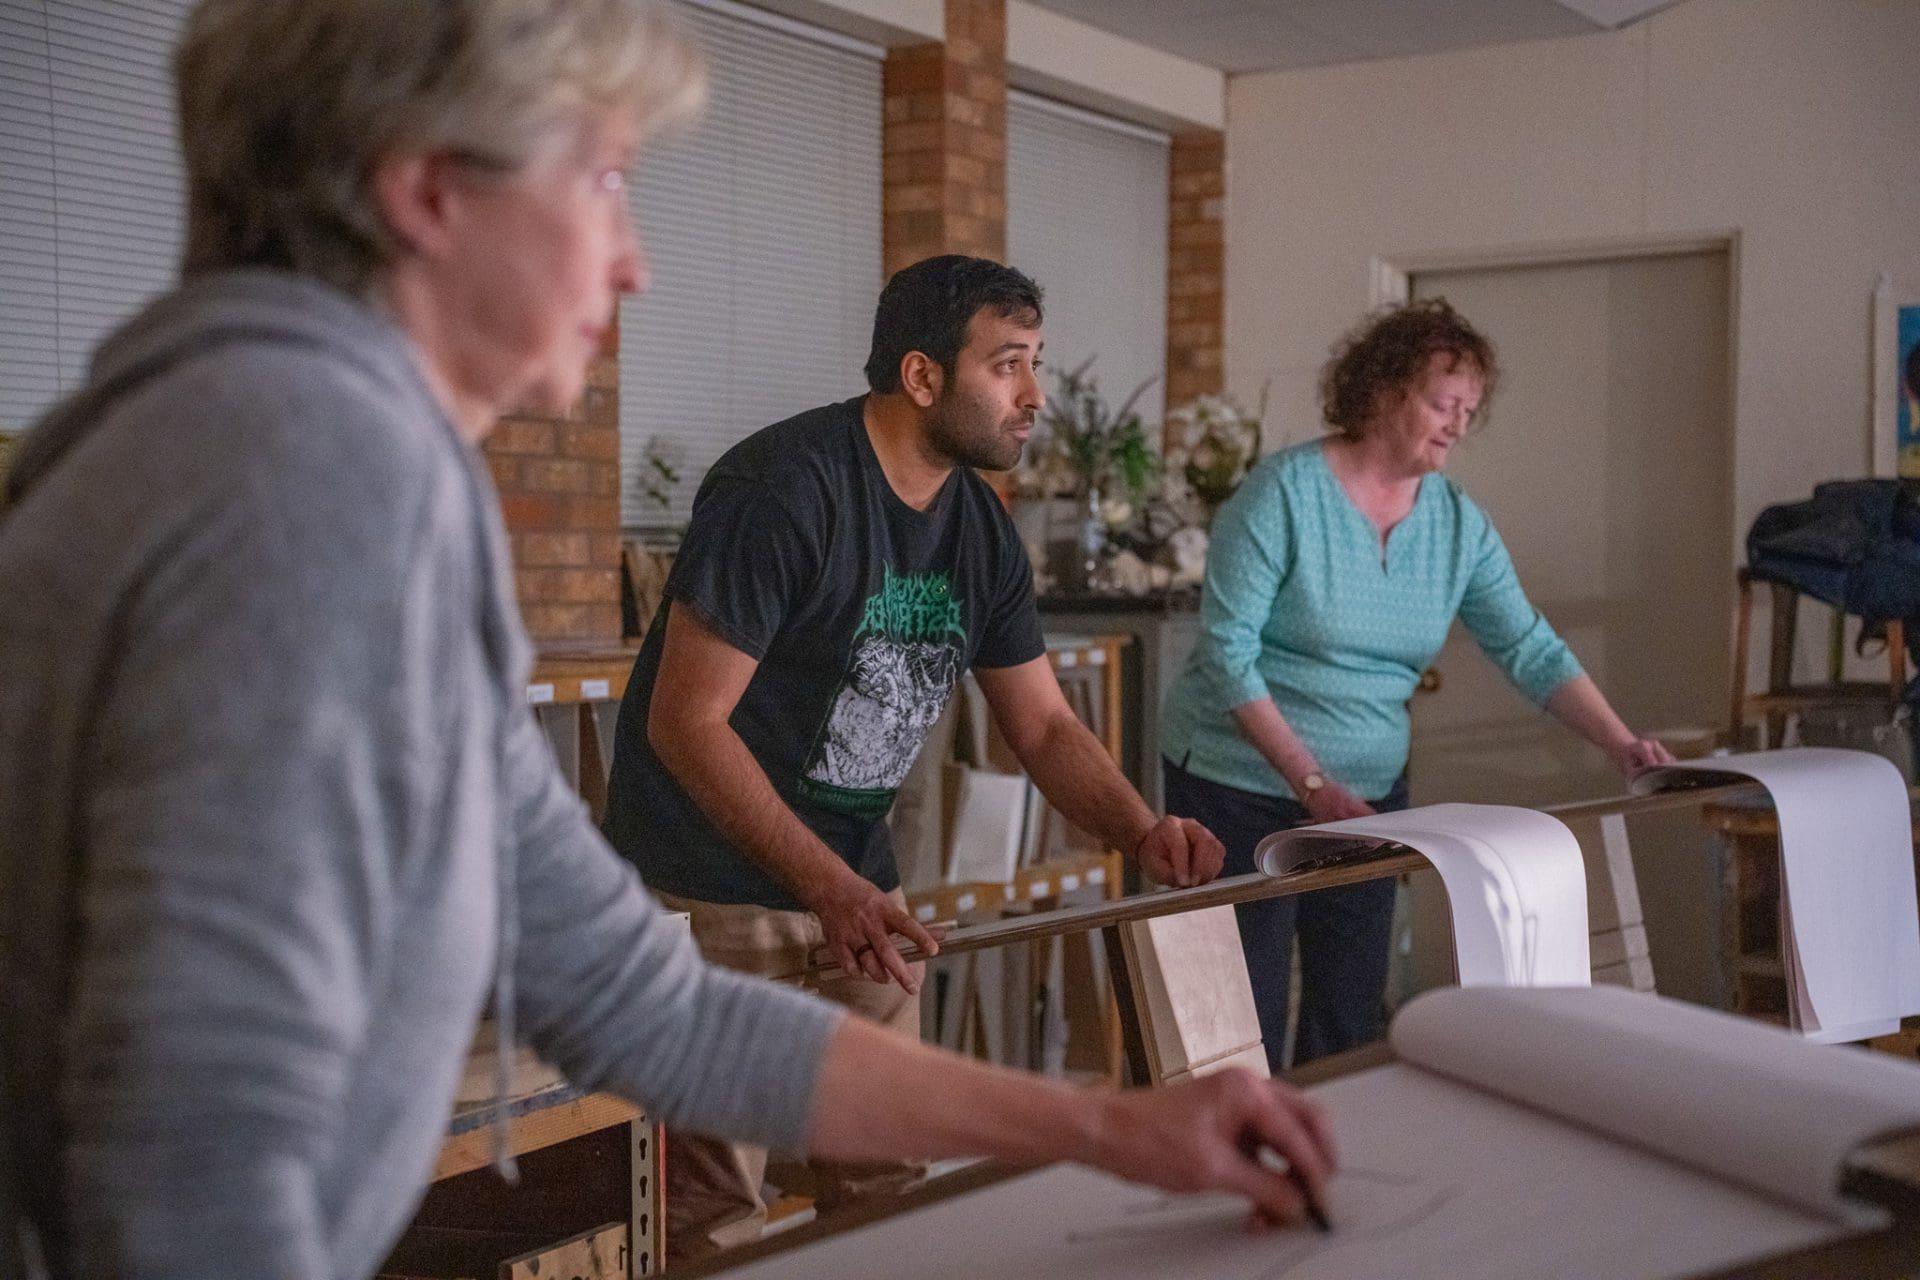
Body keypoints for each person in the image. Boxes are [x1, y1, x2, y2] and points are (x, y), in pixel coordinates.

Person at [0, 5, 1323, 1277]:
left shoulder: (256, 432)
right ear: (426, 190)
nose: (635, 262)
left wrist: (1109, 1129)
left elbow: (641, 998)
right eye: (607, 182)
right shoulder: (313, 469)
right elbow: (182, 1146)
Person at [600, 252, 1231, 1256]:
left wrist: (1141, 829)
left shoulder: (978, 526)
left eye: (1036, 366)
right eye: (1008, 365)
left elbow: (1045, 726)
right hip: (707, 899)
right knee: (709, 1222)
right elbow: (687, 722)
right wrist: (823, 881)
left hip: (860, 906)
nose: (1033, 397)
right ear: (922, 375)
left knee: (887, 1198)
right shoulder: (787, 489)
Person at [1159, 297, 1675, 1073]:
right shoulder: (1282, 496)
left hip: (1367, 796)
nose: (1459, 424)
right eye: (1443, 402)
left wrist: (1623, 743)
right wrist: (1310, 781)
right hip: (1237, 785)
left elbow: (1528, 646)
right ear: (1382, 391)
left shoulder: (1459, 524)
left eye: (1470, 409)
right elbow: (1228, 655)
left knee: (1351, 1009)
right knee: (1241, 1019)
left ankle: (1336, 1173)